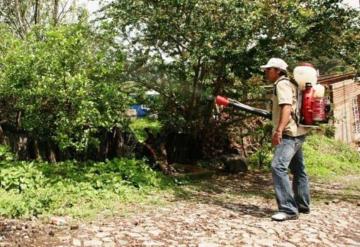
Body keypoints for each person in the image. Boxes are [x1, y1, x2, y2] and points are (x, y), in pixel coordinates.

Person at [260, 58, 310, 221]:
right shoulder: (291, 83)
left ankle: (288, 209)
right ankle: (302, 205)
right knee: (298, 169)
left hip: (289, 133)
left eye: (268, 70)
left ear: (277, 70)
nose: (266, 72)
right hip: (299, 132)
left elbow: (287, 106)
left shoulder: (282, 84)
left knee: (278, 166)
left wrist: (279, 130)